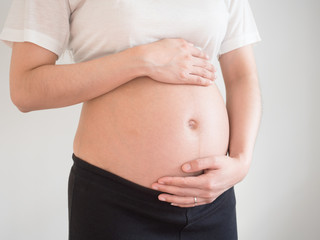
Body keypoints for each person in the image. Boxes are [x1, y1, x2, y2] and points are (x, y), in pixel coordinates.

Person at [0, 0, 262, 239]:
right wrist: (140, 61)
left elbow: (242, 75)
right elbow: (26, 89)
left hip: (211, 198)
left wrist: (241, 161)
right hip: (117, 203)